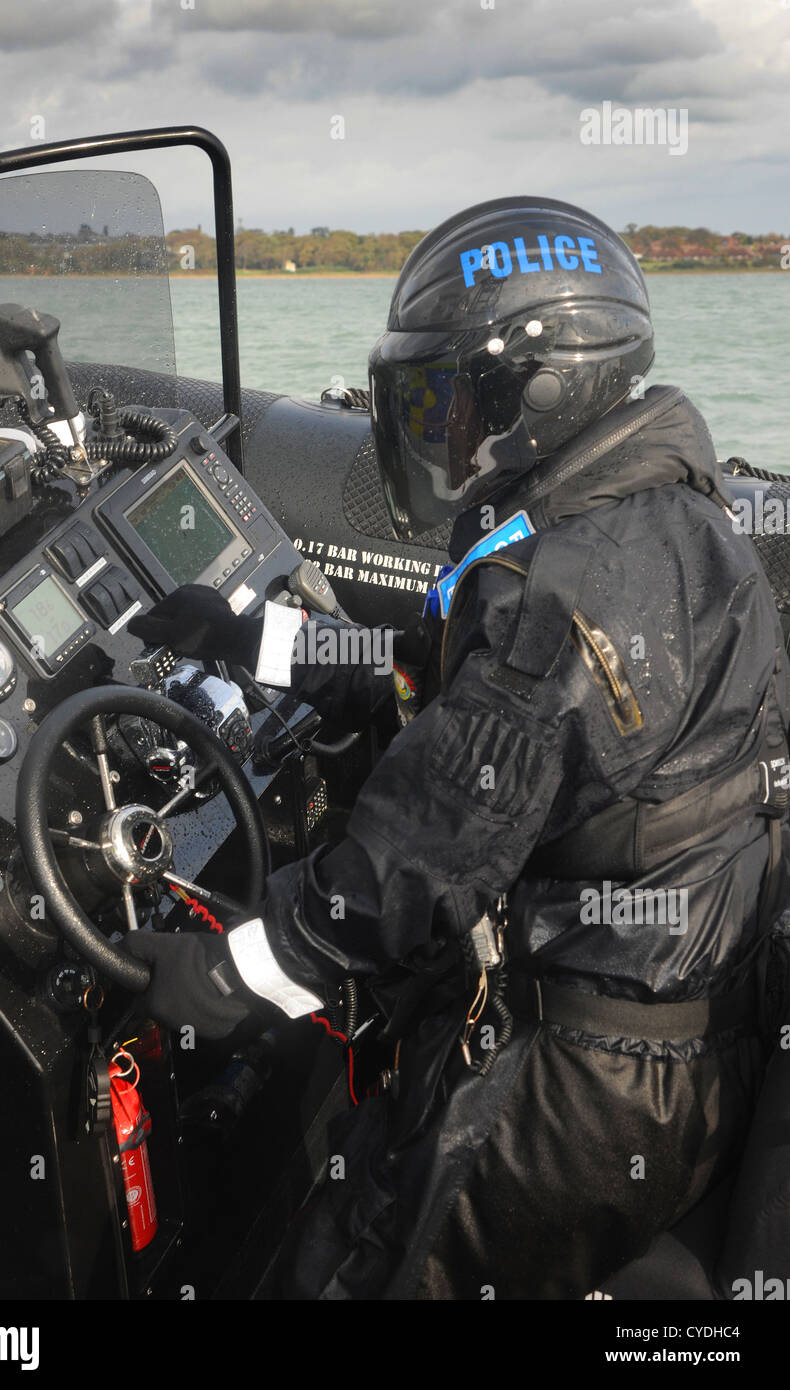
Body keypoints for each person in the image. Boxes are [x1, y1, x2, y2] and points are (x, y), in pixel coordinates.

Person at [125, 197, 789, 1299]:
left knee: (352, 1267)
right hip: (686, 1022)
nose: (440, 434)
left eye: (451, 402)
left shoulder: (556, 585)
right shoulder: (669, 514)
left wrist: (223, 970)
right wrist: (257, 639)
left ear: (534, 400)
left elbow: (406, 863)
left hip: (585, 1083)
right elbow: (448, 677)